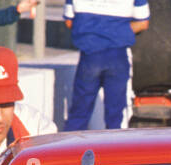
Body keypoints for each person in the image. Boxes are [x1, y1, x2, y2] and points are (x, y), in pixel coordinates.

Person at [62, 0, 151, 131]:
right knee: (115, 117)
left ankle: (69, 150)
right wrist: (116, 32)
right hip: (117, 56)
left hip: (89, 56)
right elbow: (143, 23)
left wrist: (94, 31)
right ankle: (114, 149)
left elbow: (69, 21)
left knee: (79, 114)